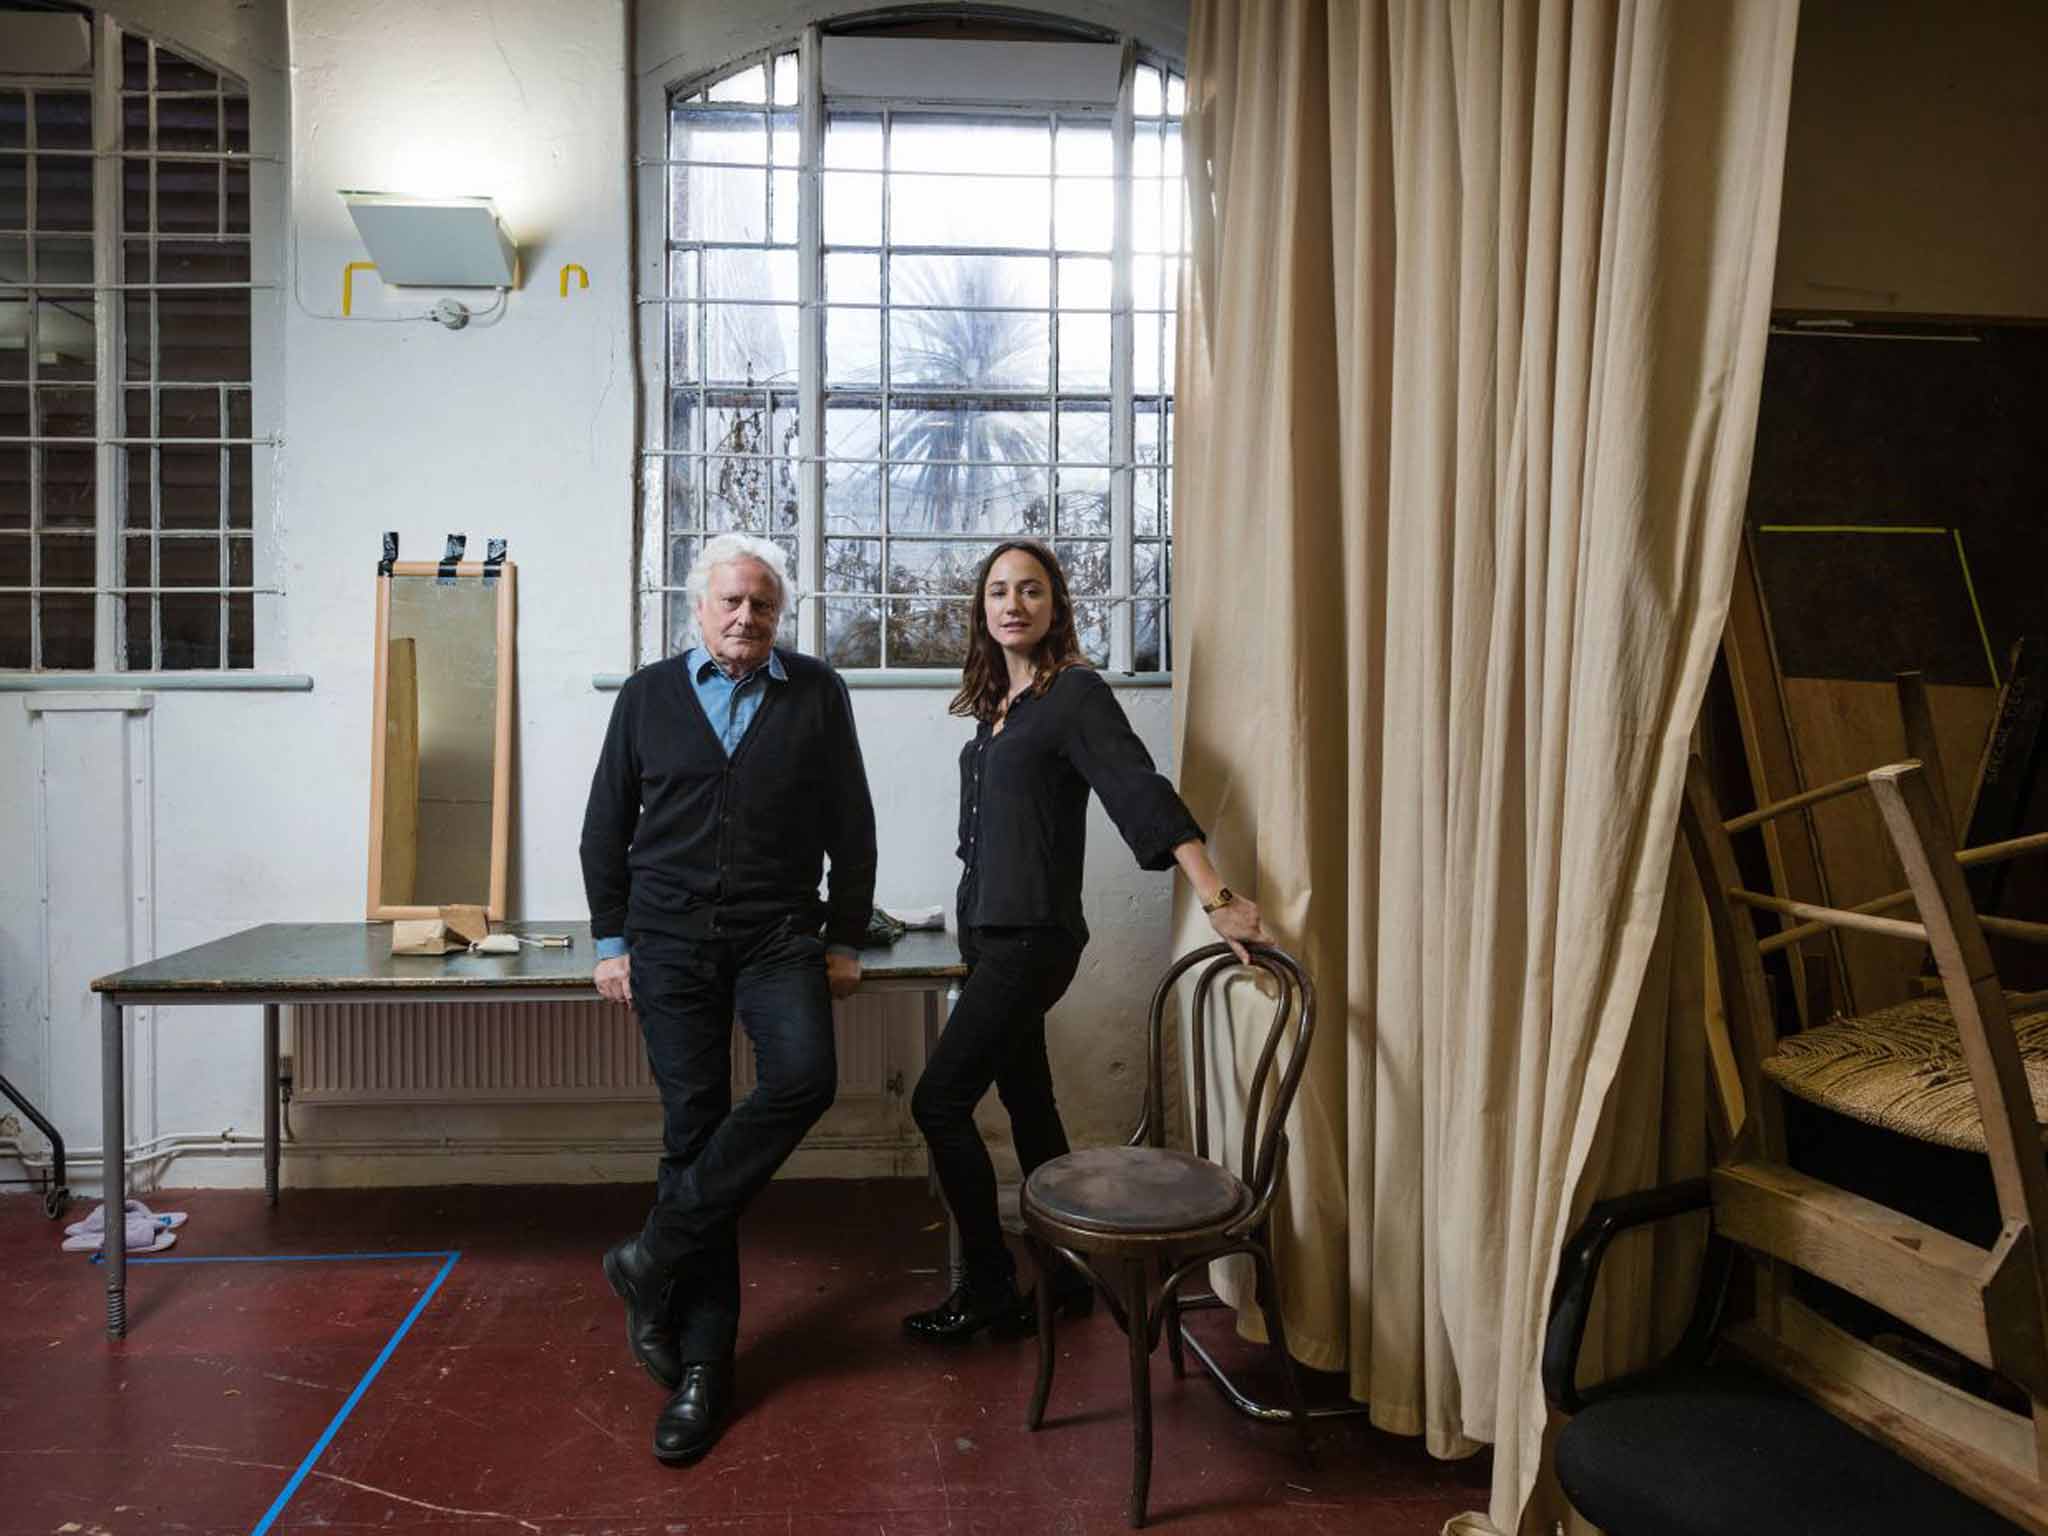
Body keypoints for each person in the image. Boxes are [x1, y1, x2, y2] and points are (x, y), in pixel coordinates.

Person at [902, 539, 1268, 1341]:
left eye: (1031, 590)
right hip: (993, 936)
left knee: (938, 1101)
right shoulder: (999, 715)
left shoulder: (1074, 695)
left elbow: (1139, 789)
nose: (1013, 604)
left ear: (1056, 606)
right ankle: (1063, 1278)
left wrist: (1217, 896)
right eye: (998, 590)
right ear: (982, 610)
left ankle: (992, 1286)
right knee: (1029, 1099)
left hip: (1033, 939)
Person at [581, 532, 876, 1463]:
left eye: (763, 604)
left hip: (778, 932)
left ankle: (652, 1256)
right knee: (696, 1130)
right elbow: (604, 824)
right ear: (698, 608)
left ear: (780, 614)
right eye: (730, 601)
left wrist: (846, 935)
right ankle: (706, 1368)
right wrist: (612, 940)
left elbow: (852, 823)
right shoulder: (647, 696)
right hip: (667, 940)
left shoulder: (816, 692)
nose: (745, 616)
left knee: (805, 1078)